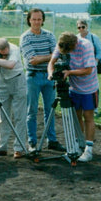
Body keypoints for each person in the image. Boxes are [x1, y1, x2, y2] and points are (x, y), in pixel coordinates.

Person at [48, 32, 98, 162]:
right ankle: (78, 145)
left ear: (75, 44)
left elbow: (88, 70)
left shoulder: (86, 46)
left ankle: (88, 149)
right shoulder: (62, 44)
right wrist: (51, 74)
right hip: (74, 88)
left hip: (89, 88)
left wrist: (69, 72)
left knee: (88, 117)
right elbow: (51, 62)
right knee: (76, 117)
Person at [21, 8, 63, 151]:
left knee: (50, 110)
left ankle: (52, 140)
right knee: (31, 110)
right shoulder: (25, 37)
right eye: (34, 19)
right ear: (29, 20)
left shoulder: (49, 35)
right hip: (33, 77)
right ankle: (32, 142)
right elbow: (32, 60)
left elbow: (57, 55)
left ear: (43, 20)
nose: (37, 22)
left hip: (49, 75)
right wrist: (50, 57)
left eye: (39, 19)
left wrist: (44, 58)